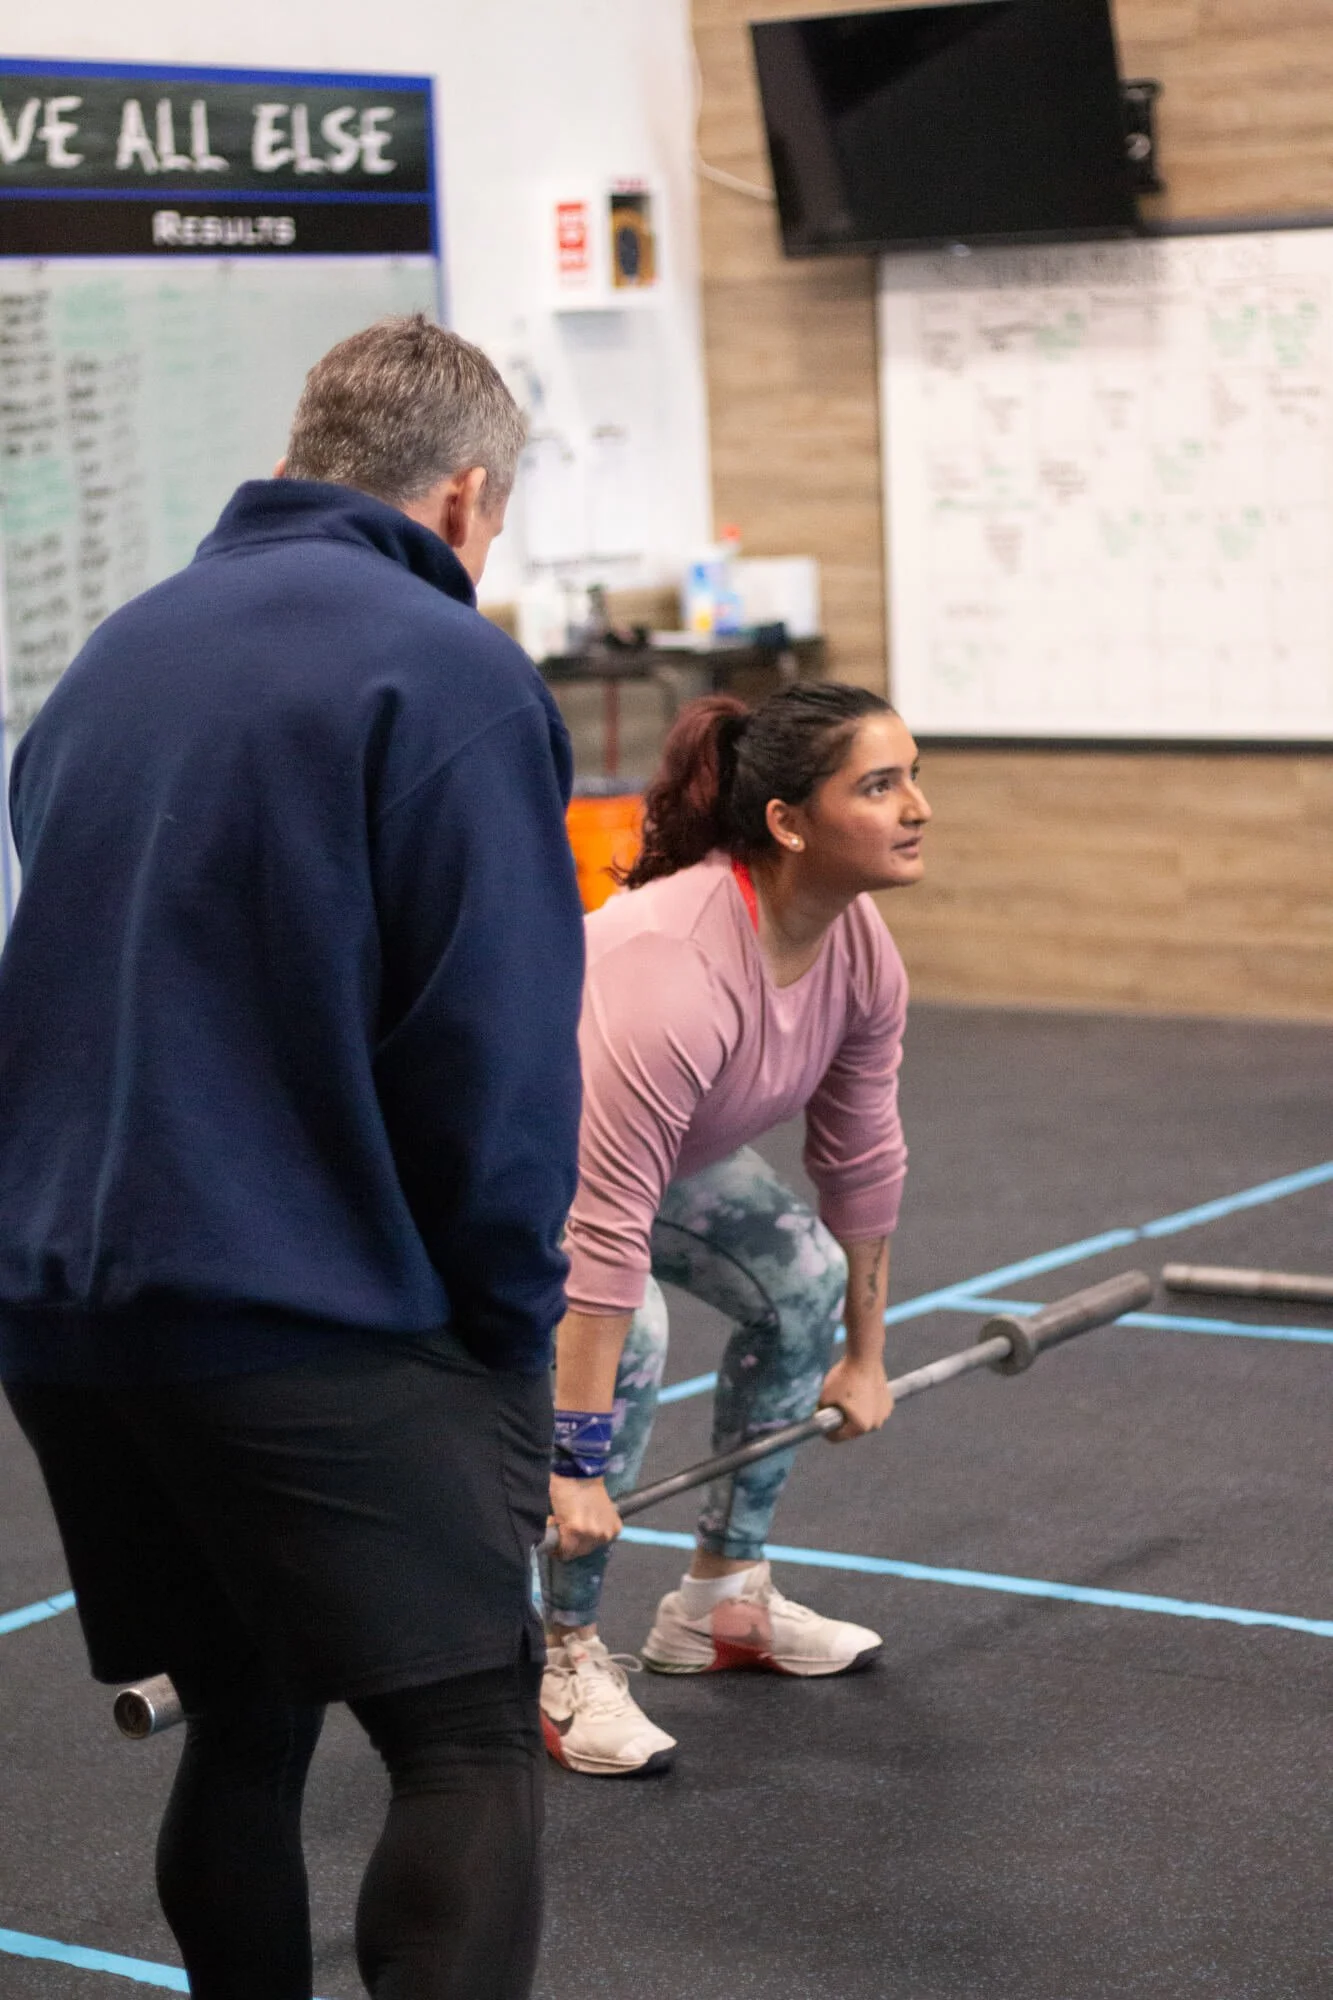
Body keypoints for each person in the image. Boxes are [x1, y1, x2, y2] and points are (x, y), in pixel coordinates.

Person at [0, 315, 584, 1999]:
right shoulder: (448, 670)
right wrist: (508, 1337)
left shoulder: (121, 648)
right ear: (464, 498)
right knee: (468, 1731)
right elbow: (489, 1061)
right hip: (299, 1315)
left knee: (246, 1714)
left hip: (67, 1313)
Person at [542, 682, 931, 1777]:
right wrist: (575, 1467)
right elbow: (603, 1234)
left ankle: (719, 1596)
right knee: (635, 1341)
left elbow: (861, 1160)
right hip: (500, 1159)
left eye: (914, 776)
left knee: (800, 1280)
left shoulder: (859, 949)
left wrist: (866, 1352)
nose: (917, 806)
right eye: (879, 783)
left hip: (668, 1154)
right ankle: (564, 1646)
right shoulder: (670, 970)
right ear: (788, 822)